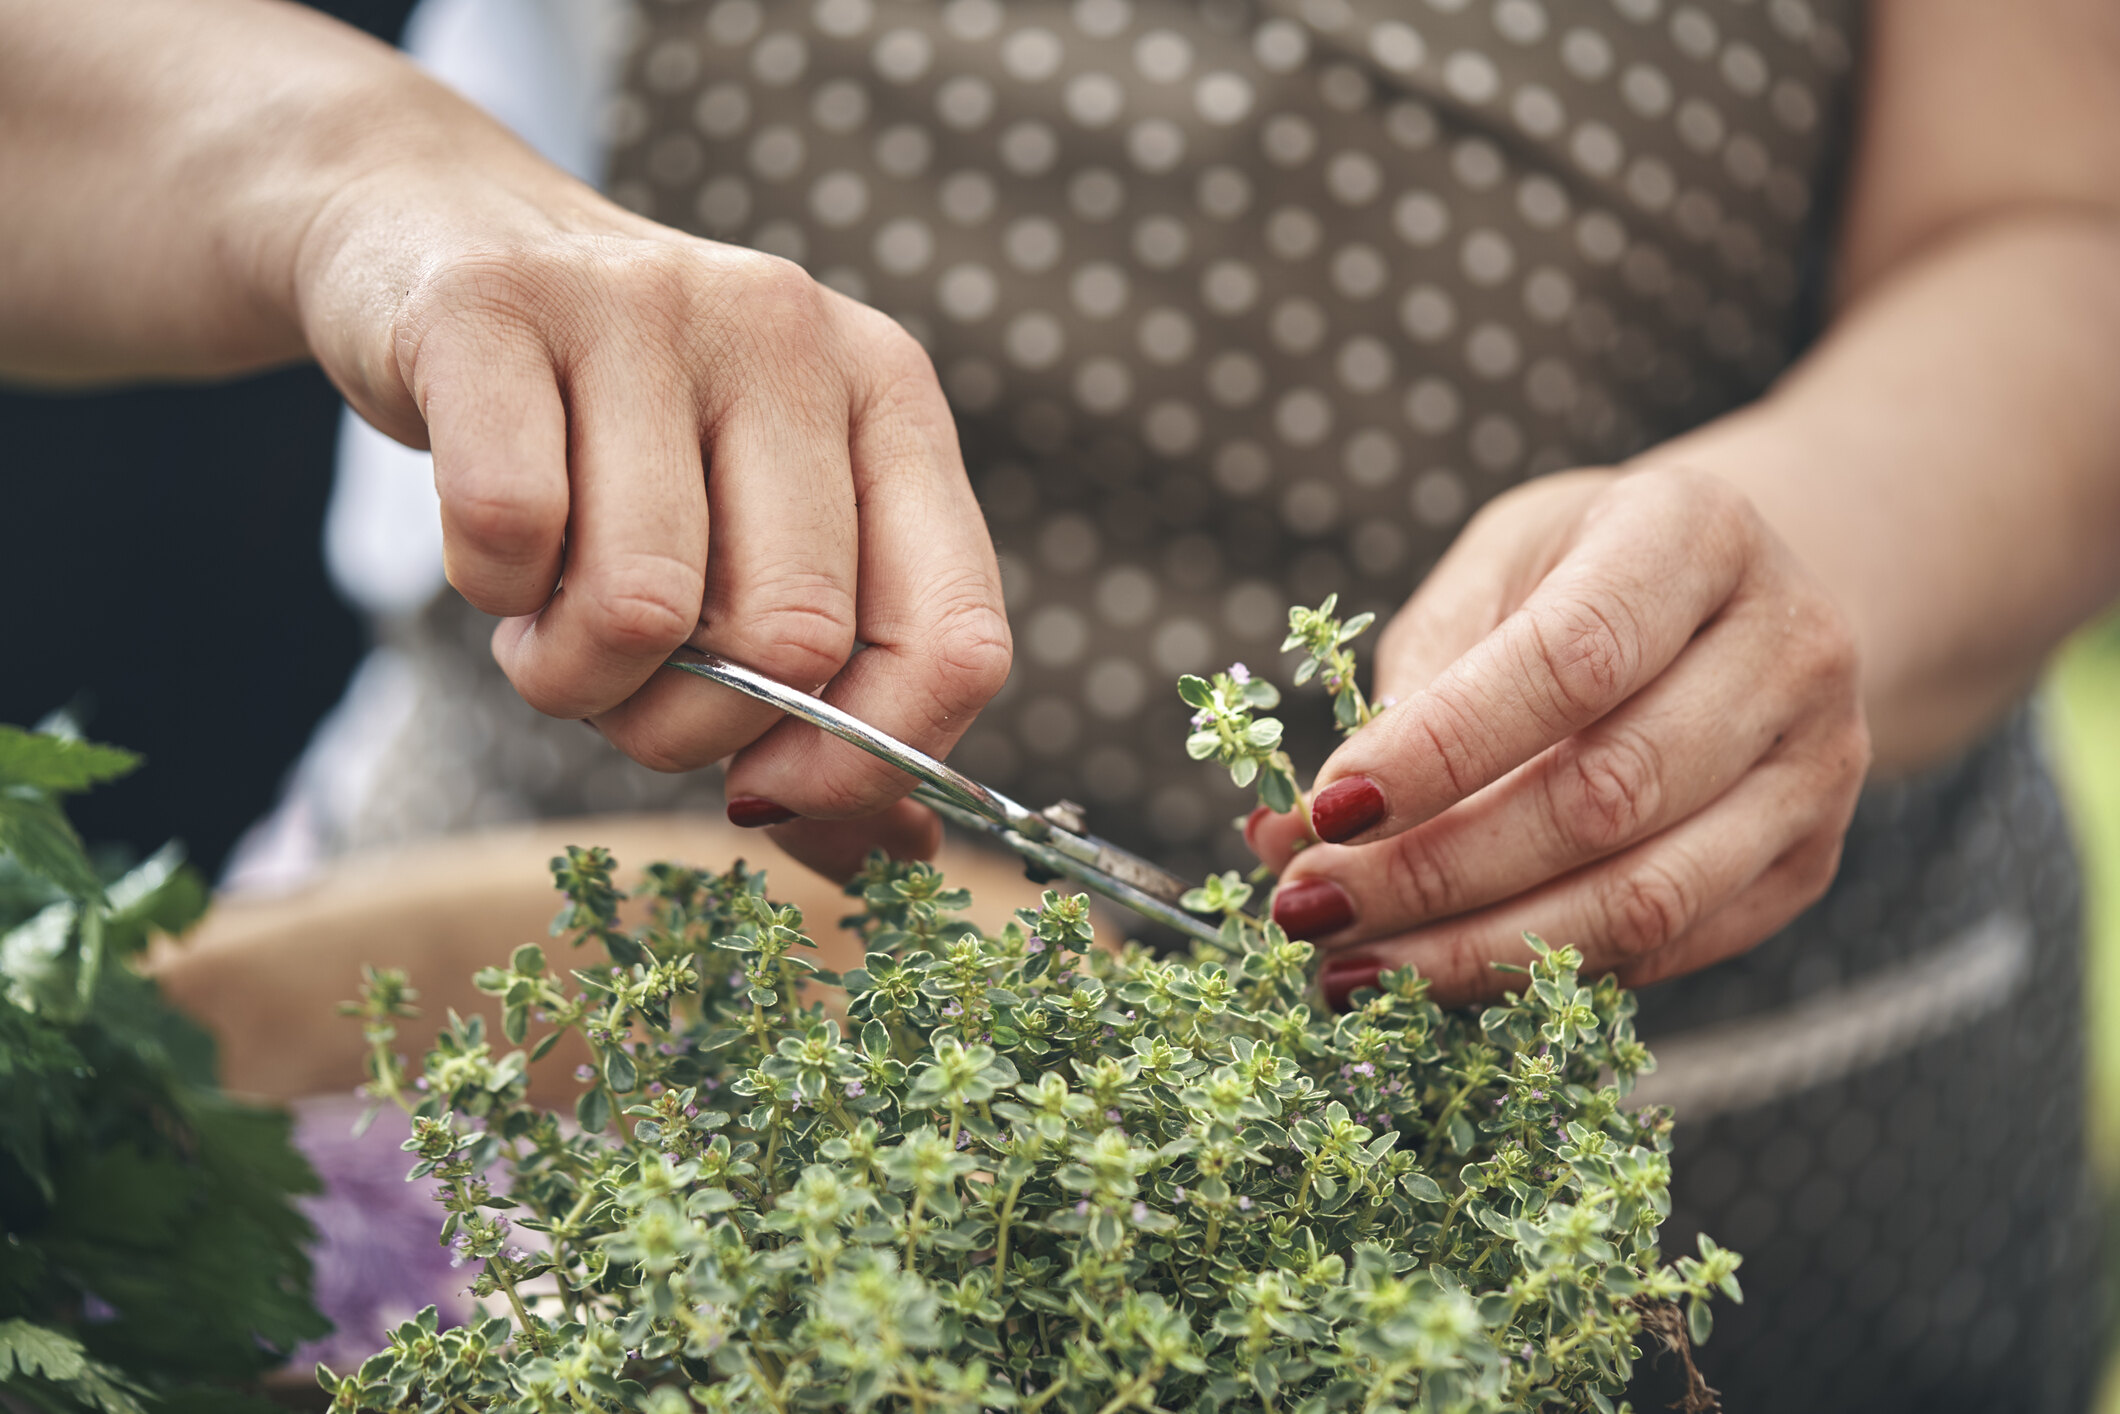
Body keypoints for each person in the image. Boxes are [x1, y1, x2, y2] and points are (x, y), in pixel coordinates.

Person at [7, 0, 2120, 1407]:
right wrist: (364, 172)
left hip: (1751, 1112)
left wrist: (1781, 566)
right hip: (567, 1023)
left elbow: (2058, 220)